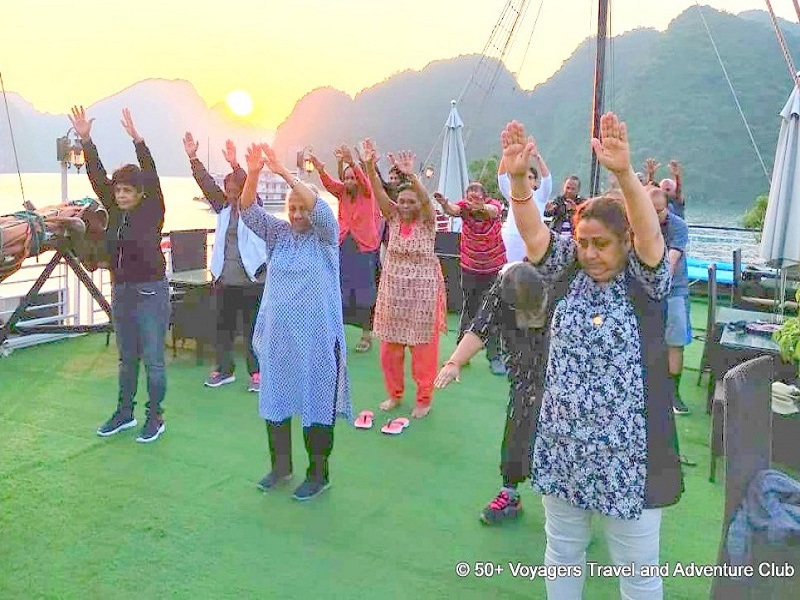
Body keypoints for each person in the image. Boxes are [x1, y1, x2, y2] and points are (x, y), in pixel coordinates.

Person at [503, 114, 682, 598]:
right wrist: (518, 179)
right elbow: (534, 235)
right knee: (562, 553)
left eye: (601, 244)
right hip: (564, 447)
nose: (589, 253)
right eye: (582, 242)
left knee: (638, 570)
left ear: (625, 243)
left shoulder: (645, 283)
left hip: (630, 457)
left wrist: (624, 175)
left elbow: (651, 239)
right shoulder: (567, 272)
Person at [239, 143, 351, 501]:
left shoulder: (326, 238)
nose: (297, 214)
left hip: (317, 339)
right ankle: (280, 466)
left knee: (317, 402)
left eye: (302, 208)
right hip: (279, 337)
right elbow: (247, 212)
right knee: (276, 400)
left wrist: (286, 173)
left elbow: (317, 208)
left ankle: (318, 473)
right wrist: (254, 173)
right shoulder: (279, 236)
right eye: (292, 208)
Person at [435, 261, 566, 524]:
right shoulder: (500, 294)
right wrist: (454, 362)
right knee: (517, 426)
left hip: (560, 373)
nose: (528, 319)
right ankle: (510, 493)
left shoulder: (558, 284)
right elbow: (479, 328)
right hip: (522, 370)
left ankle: (573, 505)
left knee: (562, 435)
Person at [70, 105, 169, 444]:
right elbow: (96, 175)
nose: (122, 195)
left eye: (128, 190)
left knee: (154, 360)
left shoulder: (153, 209)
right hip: (123, 291)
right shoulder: (113, 209)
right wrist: (86, 139)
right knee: (127, 359)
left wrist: (139, 142)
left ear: (140, 193)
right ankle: (124, 413)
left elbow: (151, 175)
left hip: (151, 292)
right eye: (119, 191)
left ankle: (154, 417)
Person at [362, 140, 447, 419]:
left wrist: (412, 176)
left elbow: (425, 200)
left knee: (423, 349)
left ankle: (424, 399)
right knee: (390, 349)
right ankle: (394, 394)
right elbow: (376, 192)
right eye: (402, 201)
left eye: (411, 201)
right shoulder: (394, 218)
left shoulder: (427, 220)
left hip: (422, 293)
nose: (407, 205)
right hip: (393, 292)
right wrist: (369, 167)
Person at [183, 133, 267, 392]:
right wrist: (193, 157)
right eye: (228, 191)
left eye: (236, 191)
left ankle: (257, 373)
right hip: (225, 280)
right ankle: (224, 370)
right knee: (224, 329)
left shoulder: (253, 208)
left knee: (253, 330)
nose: (231, 195)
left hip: (252, 280)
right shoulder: (223, 209)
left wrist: (236, 165)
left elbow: (248, 185)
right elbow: (206, 184)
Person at [310, 145, 380, 353]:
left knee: (365, 292)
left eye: (353, 178)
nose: (349, 181)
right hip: (343, 246)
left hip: (364, 247)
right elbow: (331, 184)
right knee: (339, 291)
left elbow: (365, 180)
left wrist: (351, 162)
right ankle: (335, 334)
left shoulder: (368, 193)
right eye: (347, 178)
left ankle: (366, 335)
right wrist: (321, 169)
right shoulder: (342, 193)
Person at [435, 183, 507, 375]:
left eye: (477, 193)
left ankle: (495, 357)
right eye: (470, 194)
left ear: (485, 196)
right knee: (469, 309)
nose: (473, 197)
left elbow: (492, 211)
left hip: (494, 268)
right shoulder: (464, 208)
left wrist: (480, 207)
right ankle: (461, 354)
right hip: (470, 268)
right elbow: (453, 210)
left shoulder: (494, 205)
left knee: (493, 312)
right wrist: (444, 204)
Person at [649, 186, 692, 415]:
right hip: (645, 288)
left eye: (659, 211)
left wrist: (659, 279)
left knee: (675, 342)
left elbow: (672, 260)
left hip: (673, 290)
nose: (655, 216)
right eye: (651, 210)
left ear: (667, 208)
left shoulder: (678, 226)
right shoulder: (639, 221)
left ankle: (673, 393)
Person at [497, 143, 552, 262]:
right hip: (512, 238)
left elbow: (547, 179)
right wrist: (507, 154)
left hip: (534, 241)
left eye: (531, 177)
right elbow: (501, 177)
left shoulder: (541, 196)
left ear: (535, 181)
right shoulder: (513, 193)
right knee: (511, 273)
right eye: (525, 177)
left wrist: (537, 157)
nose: (528, 180)